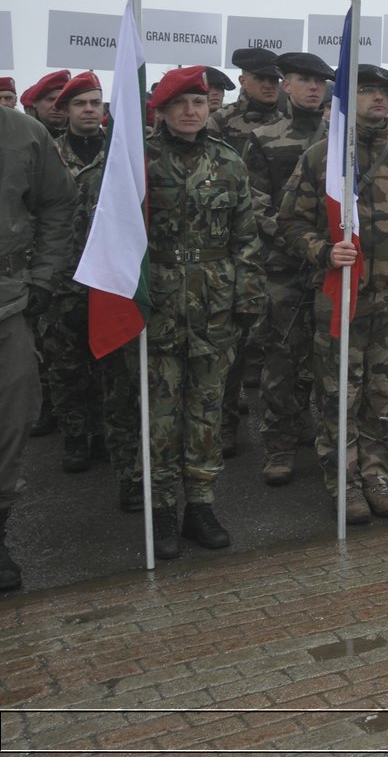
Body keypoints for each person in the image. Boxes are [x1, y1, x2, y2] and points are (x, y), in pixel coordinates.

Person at [277, 64, 388, 523]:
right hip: (340, 296)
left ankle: (376, 475)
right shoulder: (320, 158)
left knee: (382, 394)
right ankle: (343, 481)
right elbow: (288, 223)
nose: (378, 100)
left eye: (384, 93)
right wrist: (324, 252)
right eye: (367, 91)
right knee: (339, 394)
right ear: (347, 101)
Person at [135, 67, 266, 558]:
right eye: (180, 104)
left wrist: (247, 298)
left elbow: (245, 236)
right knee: (162, 413)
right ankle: (162, 508)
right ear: (163, 110)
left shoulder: (228, 162)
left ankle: (202, 504)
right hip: (159, 304)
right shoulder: (139, 160)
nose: (191, 111)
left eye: (198, 102)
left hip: (214, 305)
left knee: (207, 411)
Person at [246, 51, 335, 483]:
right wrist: (301, 244)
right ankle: (279, 444)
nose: (313, 88)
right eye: (304, 80)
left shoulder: (342, 138)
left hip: (335, 265)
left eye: (319, 81)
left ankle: (328, 437)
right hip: (286, 264)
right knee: (282, 357)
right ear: (286, 85)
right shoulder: (265, 137)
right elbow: (256, 203)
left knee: (331, 358)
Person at [0, 89, 74, 588]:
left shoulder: (23, 132)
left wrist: (44, 277)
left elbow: (56, 205)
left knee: (11, 421)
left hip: (6, 303)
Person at [39, 72, 119, 474]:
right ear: (65, 110)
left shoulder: (121, 155)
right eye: (80, 103)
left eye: (95, 103)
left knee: (111, 361)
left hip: (109, 277)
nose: (89, 110)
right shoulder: (47, 156)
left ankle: (106, 435)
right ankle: (75, 438)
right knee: (65, 365)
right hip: (63, 278)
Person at [208, 48, 284, 147]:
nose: (268, 85)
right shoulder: (221, 120)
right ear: (243, 81)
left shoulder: (286, 120)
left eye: (274, 79)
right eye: (260, 78)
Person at [21, 70, 70, 137]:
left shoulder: (86, 135)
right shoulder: (20, 134)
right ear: (34, 102)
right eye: (50, 99)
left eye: (63, 101)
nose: (56, 107)